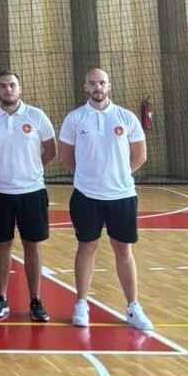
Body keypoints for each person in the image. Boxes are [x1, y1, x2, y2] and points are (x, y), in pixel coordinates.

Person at [58, 68, 152, 330]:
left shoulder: (126, 117)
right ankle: (81, 303)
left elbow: (140, 155)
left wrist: (117, 174)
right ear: (86, 87)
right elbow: (66, 157)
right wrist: (90, 177)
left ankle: (133, 307)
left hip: (122, 195)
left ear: (109, 85)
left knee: (124, 250)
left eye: (102, 82)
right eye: (93, 83)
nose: (97, 87)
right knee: (86, 247)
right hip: (86, 195)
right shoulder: (75, 118)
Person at [0, 71, 56, 321]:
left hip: (32, 191)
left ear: (20, 89)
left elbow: (50, 150)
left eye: (12, 85)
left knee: (32, 245)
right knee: (2, 245)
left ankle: (36, 300)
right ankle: (1, 298)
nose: (7, 89)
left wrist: (30, 169)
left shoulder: (36, 116)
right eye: (3, 86)